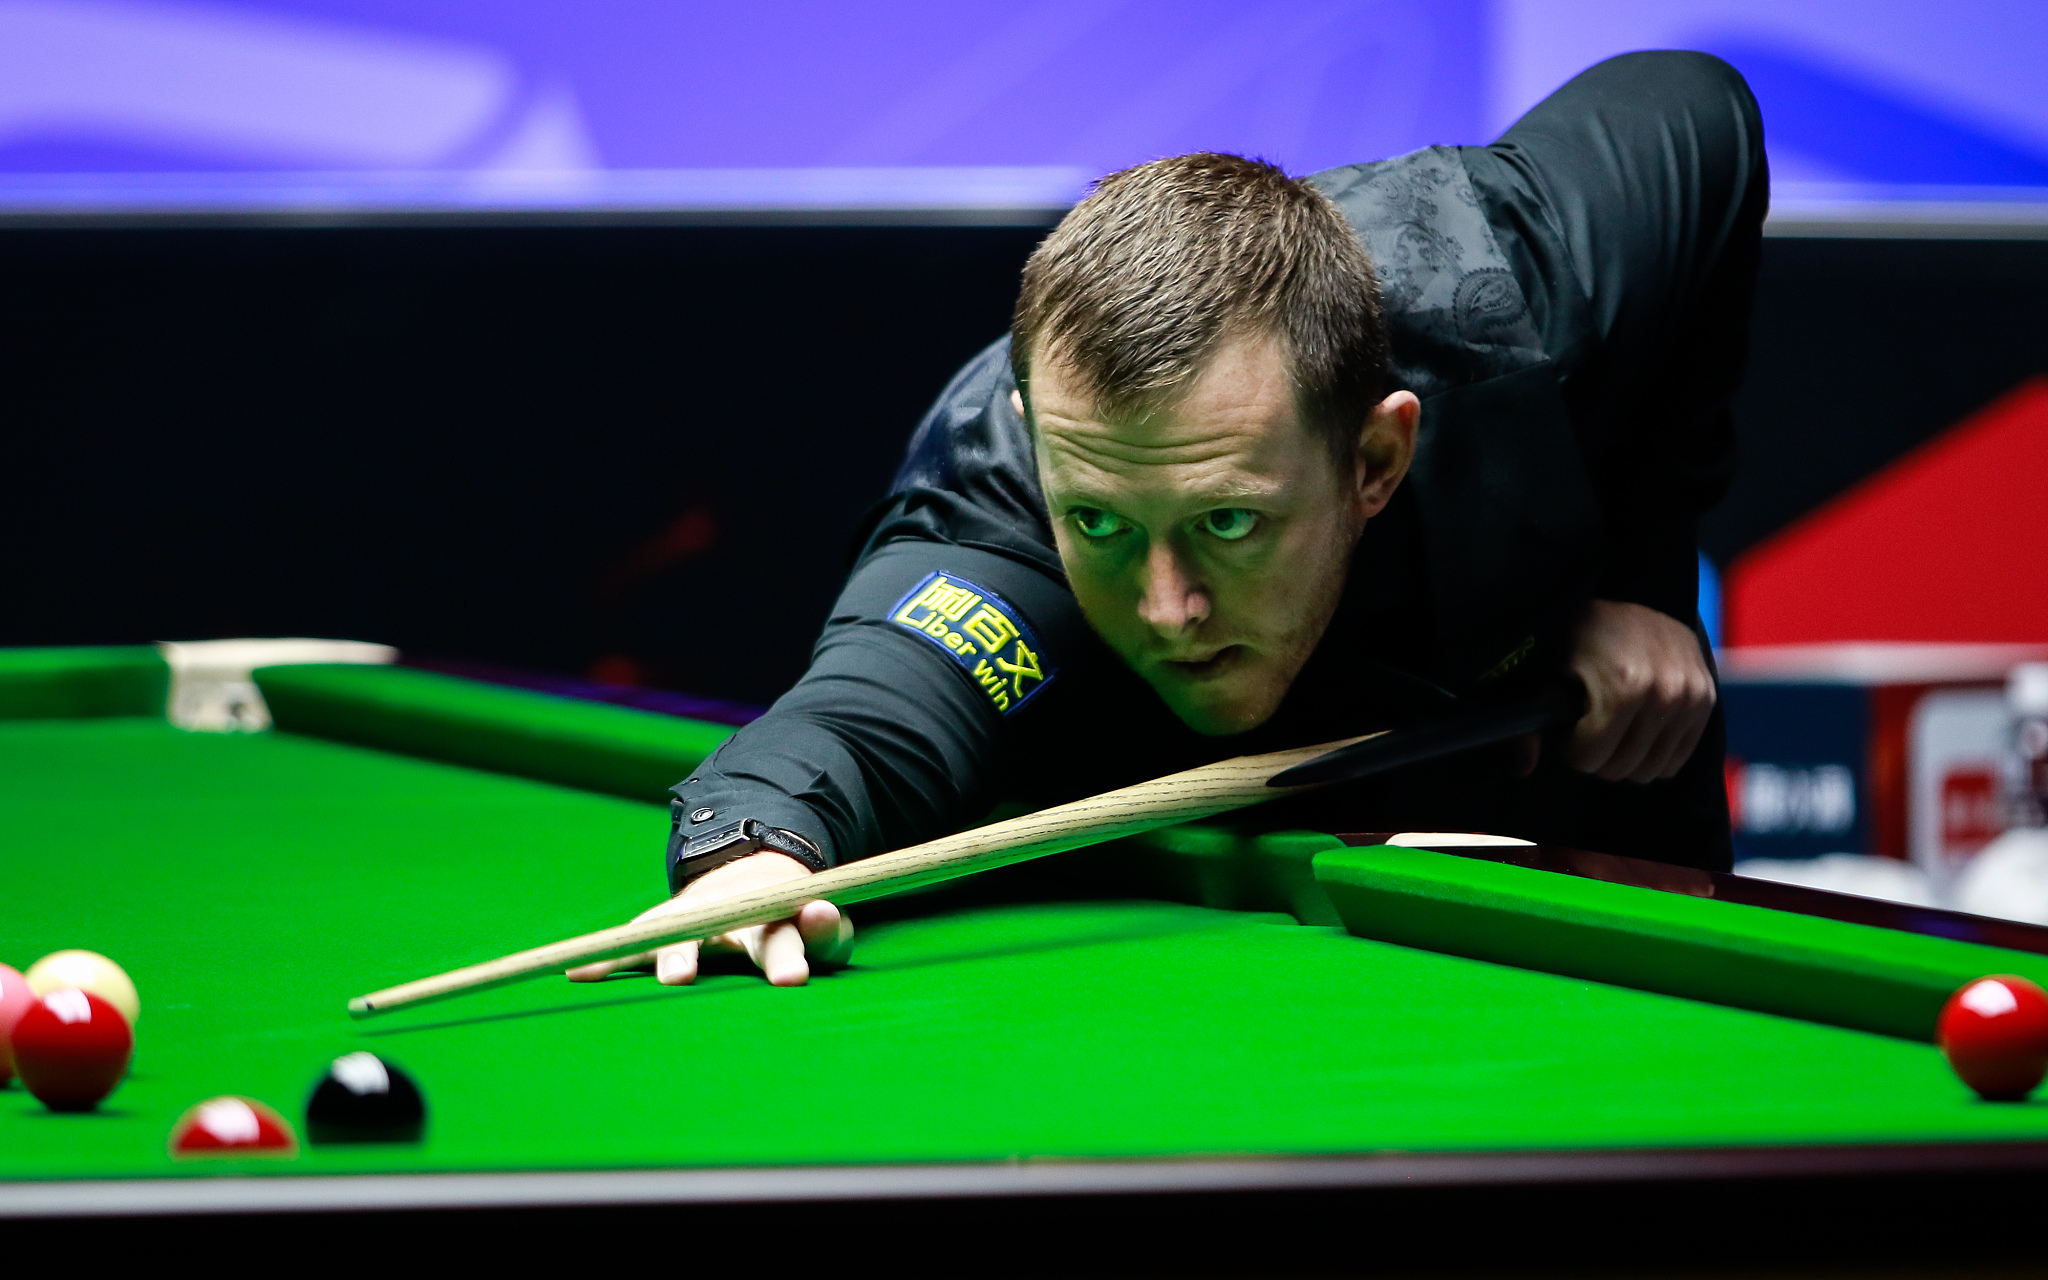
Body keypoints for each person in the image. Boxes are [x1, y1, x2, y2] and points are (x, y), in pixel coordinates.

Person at [568, 50, 1766, 990]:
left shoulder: (1501, 283)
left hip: (1569, 768)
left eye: (1227, 524)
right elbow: (874, 702)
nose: (1163, 606)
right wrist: (757, 845)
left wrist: (1640, 571)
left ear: (1375, 454)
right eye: (1099, 521)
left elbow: (1698, 109)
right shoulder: (998, 501)